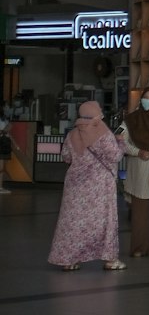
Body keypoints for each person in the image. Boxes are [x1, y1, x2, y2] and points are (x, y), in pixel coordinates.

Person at [48, 101, 126, 271]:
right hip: (100, 188)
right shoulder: (103, 133)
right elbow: (115, 156)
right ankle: (110, 260)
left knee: (73, 223)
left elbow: (66, 157)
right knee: (104, 222)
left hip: (75, 188)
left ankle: (69, 261)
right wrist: (120, 142)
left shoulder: (72, 134)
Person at [117, 88, 149, 257]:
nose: (147, 100)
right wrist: (137, 151)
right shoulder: (131, 120)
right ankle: (139, 247)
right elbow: (120, 140)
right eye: (145, 98)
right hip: (138, 171)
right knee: (140, 212)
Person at [0, 113, 12, 194]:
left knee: (1, 168)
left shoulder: (3, 119)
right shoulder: (3, 119)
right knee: (1, 168)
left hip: (3, 143)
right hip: (2, 144)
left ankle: (0, 187)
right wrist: (4, 131)